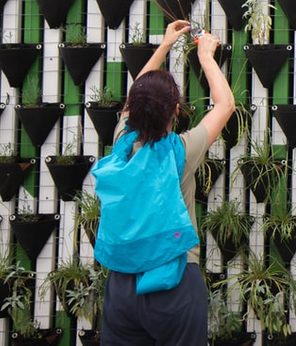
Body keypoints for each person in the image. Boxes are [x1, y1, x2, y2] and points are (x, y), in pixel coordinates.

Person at [97, 20, 235, 346]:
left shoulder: (122, 143)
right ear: (176, 110)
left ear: (131, 112)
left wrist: (164, 45)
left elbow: (136, 97)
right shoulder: (181, 154)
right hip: (174, 282)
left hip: (122, 284)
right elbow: (225, 104)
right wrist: (206, 56)